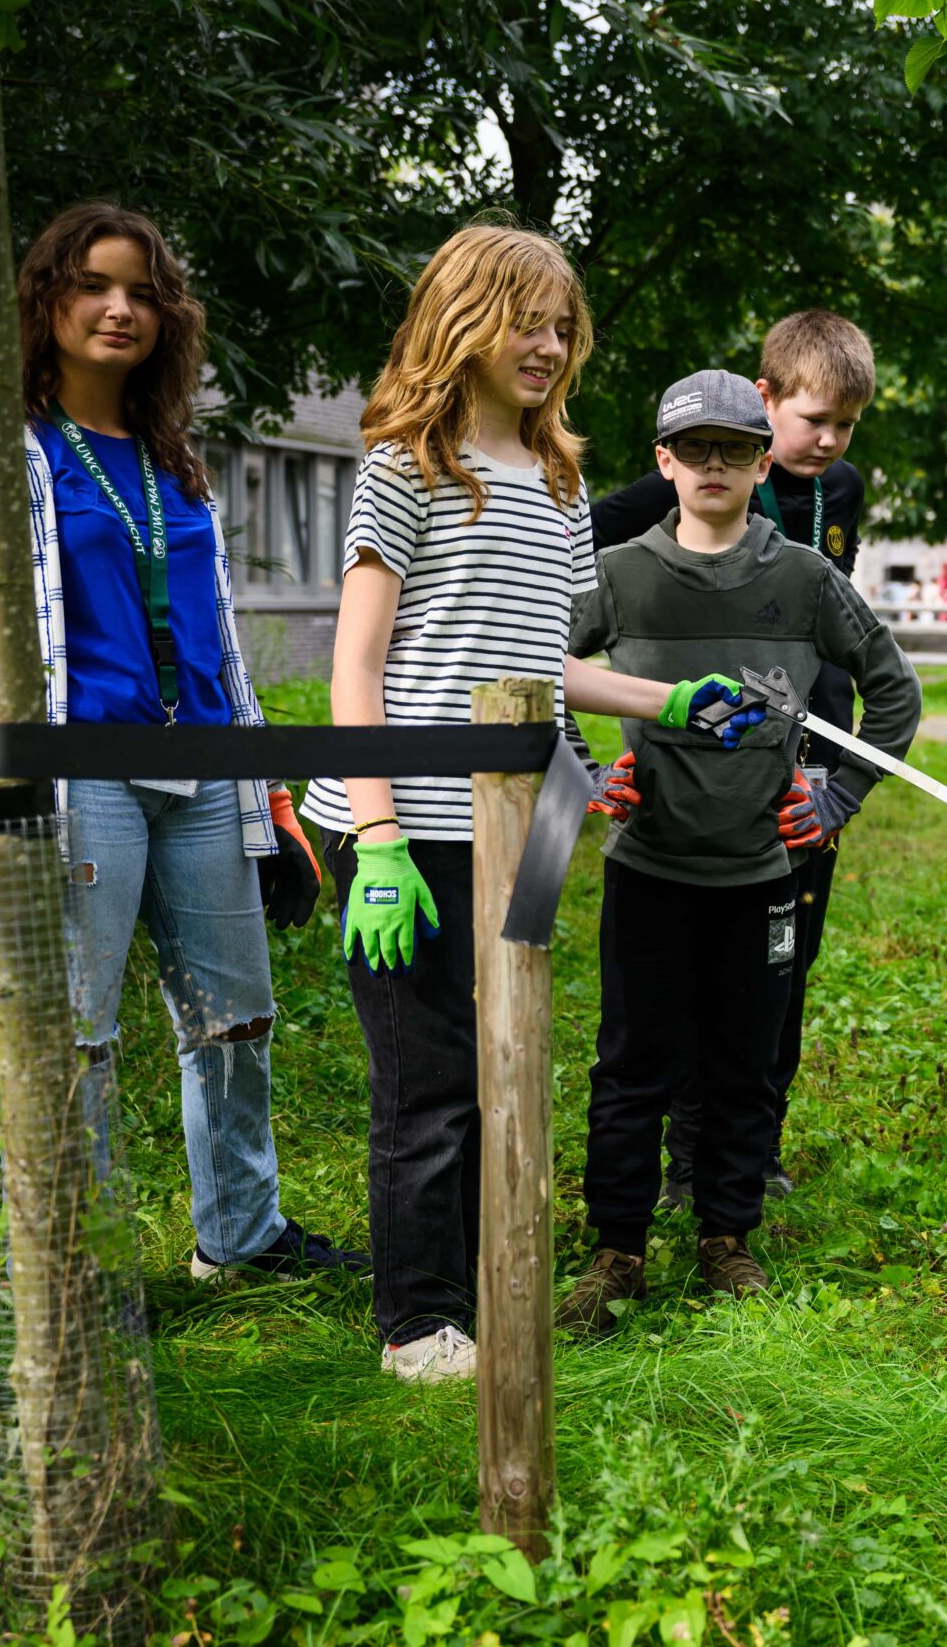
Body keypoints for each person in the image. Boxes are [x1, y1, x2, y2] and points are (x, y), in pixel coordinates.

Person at [302, 223, 759, 1382]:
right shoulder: (407, 464)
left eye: (563, 327)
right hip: (413, 822)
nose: (549, 345)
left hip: (537, 817)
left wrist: (671, 698)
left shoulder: (559, 481)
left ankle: (489, 1294)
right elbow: (355, 666)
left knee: (511, 1070)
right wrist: (379, 837)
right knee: (430, 1081)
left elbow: (545, 661)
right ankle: (419, 1324)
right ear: (463, 318)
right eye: (525, 320)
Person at [0, 201, 361, 1285]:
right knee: (73, 1035)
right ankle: (78, 1266)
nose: (119, 308)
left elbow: (217, 637)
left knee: (236, 1020)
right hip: (84, 772)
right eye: (93, 285)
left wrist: (267, 788)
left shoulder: (175, 459)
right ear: (45, 301)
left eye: (140, 291)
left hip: (211, 769)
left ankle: (243, 1238)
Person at [558, 369, 923, 1321]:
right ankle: (617, 1251)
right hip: (648, 869)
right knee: (632, 1064)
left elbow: (893, 691)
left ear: (763, 464)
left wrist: (840, 792)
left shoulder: (803, 580)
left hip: (762, 873)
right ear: (663, 462)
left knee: (744, 1062)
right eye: (695, 449)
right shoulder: (620, 573)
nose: (714, 465)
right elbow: (537, 674)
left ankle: (727, 1238)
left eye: (735, 449)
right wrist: (588, 777)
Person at [591, 310, 877, 1209]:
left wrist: (834, 777)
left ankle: (755, 1147)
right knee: (675, 979)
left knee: (777, 968)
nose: (827, 440)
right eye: (811, 420)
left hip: (807, 765)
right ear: (765, 407)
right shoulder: (667, 494)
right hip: (692, 765)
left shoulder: (845, 491)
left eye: (845, 424)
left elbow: (843, 634)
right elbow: (592, 593)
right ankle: (684, 1158)